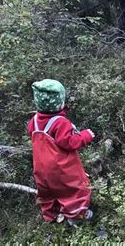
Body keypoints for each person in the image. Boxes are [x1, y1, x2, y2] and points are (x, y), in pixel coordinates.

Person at [27, 79, 95, 224]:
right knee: (74, 189)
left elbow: (31, 134)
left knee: (46, 192)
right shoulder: (60, 122)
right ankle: (76, 216)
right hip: (61, 169)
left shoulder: (34, 120)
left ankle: (51, 215)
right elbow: (70, 143)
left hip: (40, 168)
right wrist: (86, 135)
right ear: (60, 102)